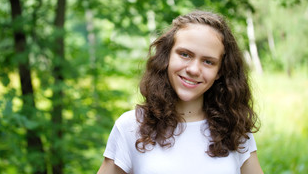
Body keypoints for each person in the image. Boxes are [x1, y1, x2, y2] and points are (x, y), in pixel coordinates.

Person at [97, 10, 263, 174]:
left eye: (208, 61)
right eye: (185, 54)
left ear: (220, 71)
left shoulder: (235, 129)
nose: (193, 69)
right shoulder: (131, 126)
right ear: (167, 56)